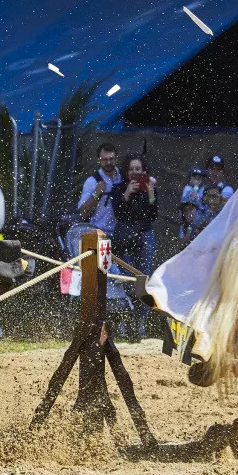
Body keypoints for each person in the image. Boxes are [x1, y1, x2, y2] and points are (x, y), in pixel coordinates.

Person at [110, 156, 158, 338]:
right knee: (125, 278)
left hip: (145, 236)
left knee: (143, 279)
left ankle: (140, 323)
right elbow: (118, 212)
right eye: (131, 169)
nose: (135, 173)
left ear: (144, 171)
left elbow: (153, 214)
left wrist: (151, 192)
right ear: (126, 171)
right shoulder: (118, 188)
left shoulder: (150, 188)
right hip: (125, 238)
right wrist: (127, 194)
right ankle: (124, 320)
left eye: (138, 169)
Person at [76, 142, 122, 235]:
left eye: (111, 159)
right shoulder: (92, 181)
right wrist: (97, 195)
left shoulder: (123, 177)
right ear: (98, 160)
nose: (108, 162)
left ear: (116, 158)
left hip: (119, 233)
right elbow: (82, 214)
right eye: (104, 159)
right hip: (95, 231)